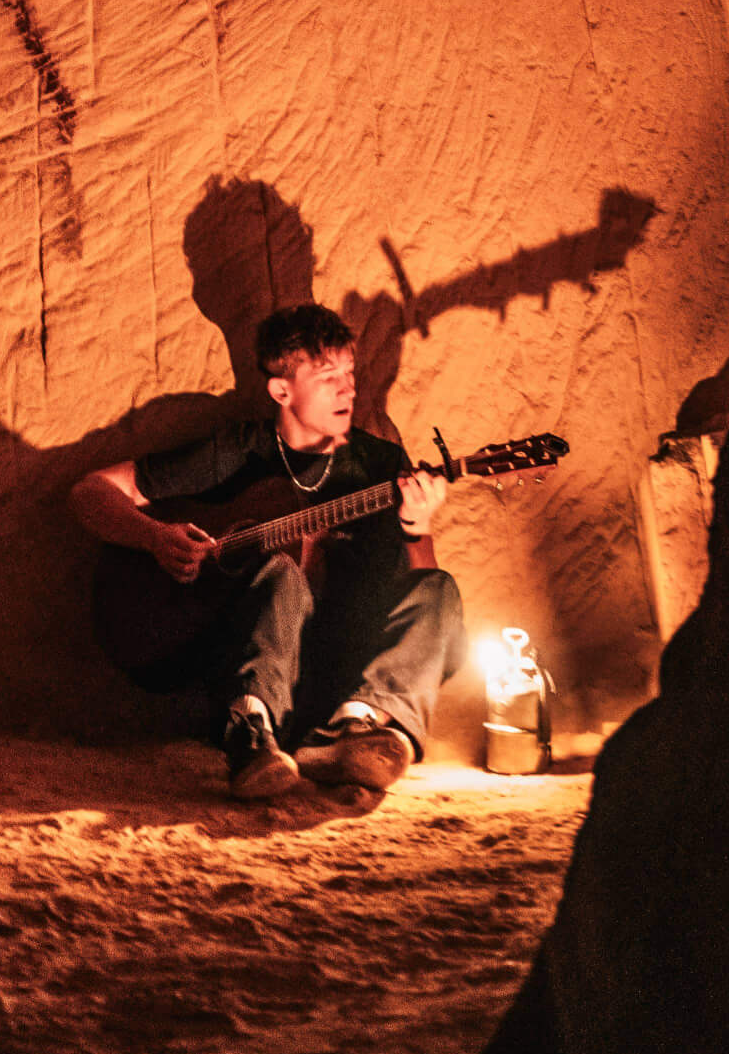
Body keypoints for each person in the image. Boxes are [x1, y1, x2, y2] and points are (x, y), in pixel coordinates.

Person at [70, 302, 466, 805]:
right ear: (282, 390)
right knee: (282, 572)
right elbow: (91, 492)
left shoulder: (381, 463)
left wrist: (417, 525)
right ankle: (249, 733)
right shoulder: (240, 451)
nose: (348, 389)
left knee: (441, 590)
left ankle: (359, 732)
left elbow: (418, 596)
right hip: (243, 663)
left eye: (349, 372)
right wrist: (155, 537)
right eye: (327, 377)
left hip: (337, 672)